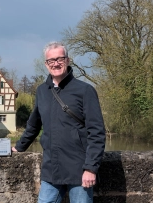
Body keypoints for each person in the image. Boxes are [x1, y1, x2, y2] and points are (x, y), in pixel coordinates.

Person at [12, 42, 105, 203]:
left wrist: (91, 168)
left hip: (78, 169)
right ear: (46, 64)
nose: (56, 63)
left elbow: (97, 132)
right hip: (51, 168)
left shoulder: (85, 90)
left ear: (68, 60)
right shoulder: (42, 91)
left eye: (60, 59)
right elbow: (34, 125)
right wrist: (19, 147)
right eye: (51, 60)